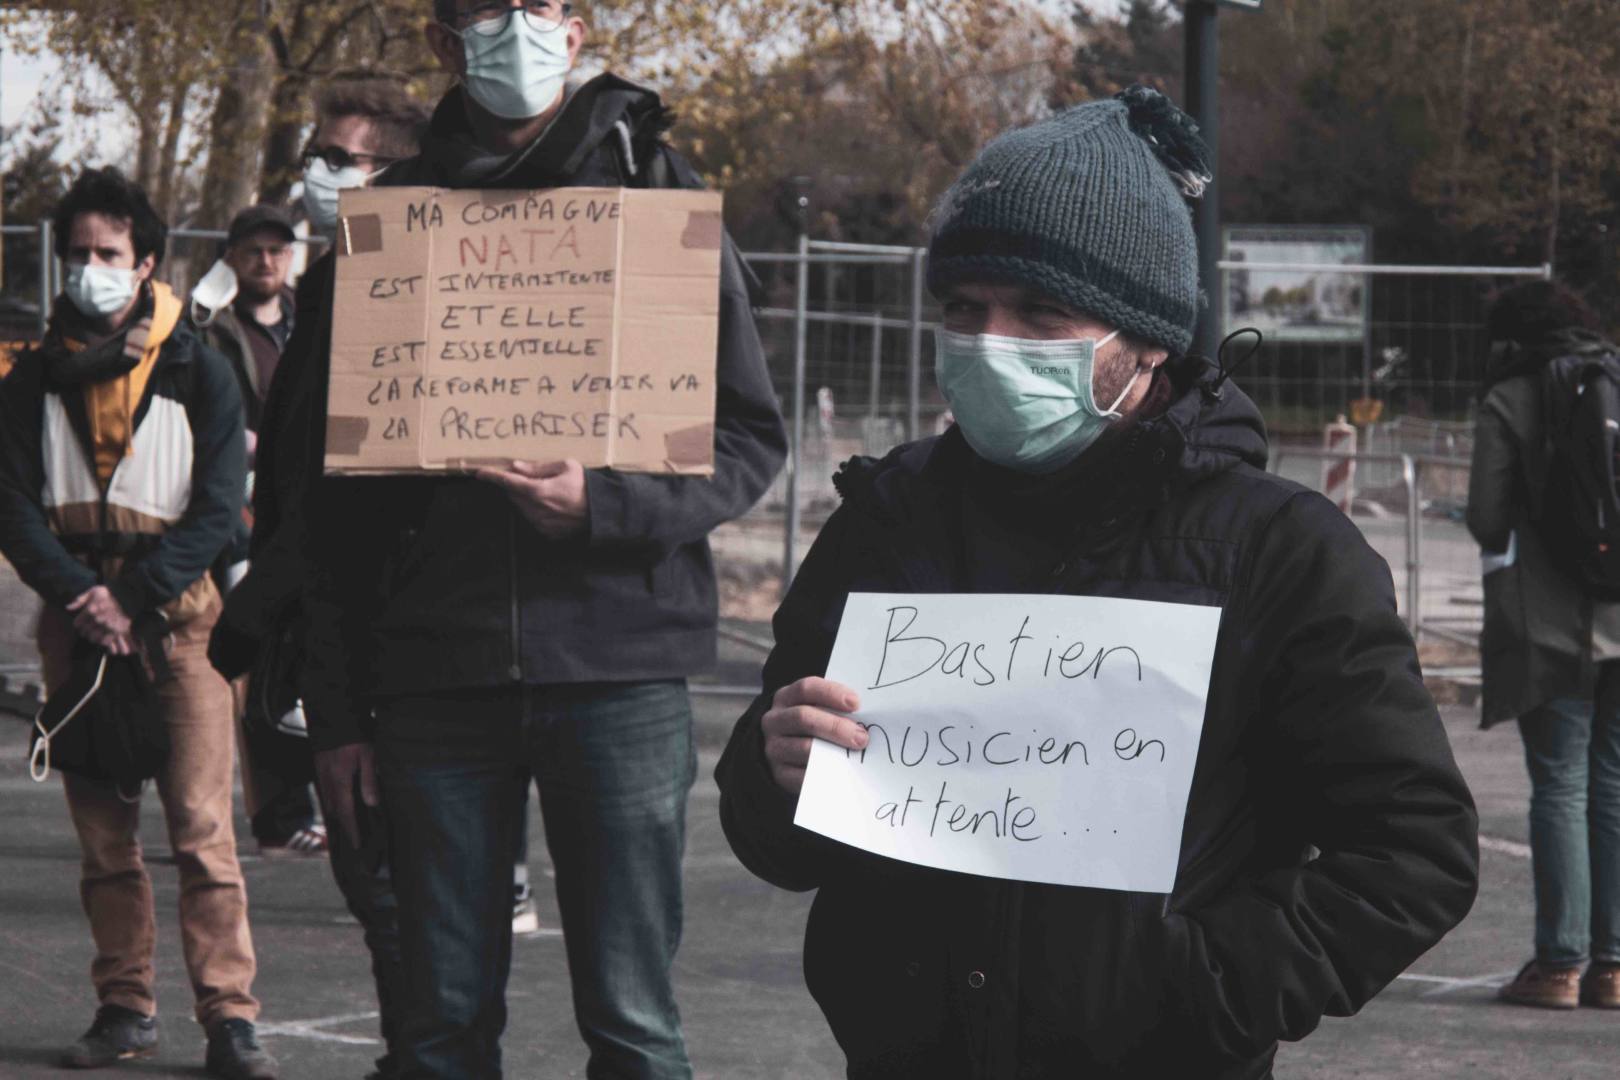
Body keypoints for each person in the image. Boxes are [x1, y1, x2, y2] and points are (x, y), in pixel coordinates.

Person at [715, 87, 1481, 1079]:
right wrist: (774, 770)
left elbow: (1415, 850)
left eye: (1041, 313)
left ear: (1148, 339)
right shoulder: (888, 518)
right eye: (964, 309)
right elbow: (779, 837)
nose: (993, 343)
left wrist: (1208, 987)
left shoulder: (1281, 551)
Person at [281, 3, 787, 1076]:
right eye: (486, 7)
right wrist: (335, 713)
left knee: (636, 1026)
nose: (519, 26)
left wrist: (602, 508)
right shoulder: (385, 224)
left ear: (579, 23)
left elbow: (746, 436)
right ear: (442, 36)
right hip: (430, 686)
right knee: (438, 1028)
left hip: (620, 672)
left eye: (543, 5)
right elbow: (319, 509)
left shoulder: (661, 195)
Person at [0, 167, 278, 1079]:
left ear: (146, 261)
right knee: (103, 837)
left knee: (202, 830)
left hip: (183, 624)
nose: (91, 269)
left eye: (108, 254)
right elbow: (11, 502)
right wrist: (84, 597)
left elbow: (219, 503)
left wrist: (135, 595)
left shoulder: (199, 363)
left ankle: (229, 1018)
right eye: (77, 254)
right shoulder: (33, 375)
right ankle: (124, 1006)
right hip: (79, 627)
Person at [206, 70, 429, 1080]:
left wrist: (253, 617)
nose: (323, 175)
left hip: (391, 661)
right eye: (319, 155)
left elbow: (348, 502)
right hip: (331, 652)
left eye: (347, 159)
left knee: (403, 907)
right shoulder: (333, 288)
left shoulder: (410, 298)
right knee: (380, 901)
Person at [1468, 280, 1620, 1009]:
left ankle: (1559, 965)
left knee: (1558, 782)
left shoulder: (1509, 396)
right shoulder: (1617, 378)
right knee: (1613, 785)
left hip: (1547, 624)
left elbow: (1487, 516)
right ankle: (1614, 967)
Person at [190, 203, 328, 857]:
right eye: (252, 250)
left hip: (303, 509)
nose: (267, 261)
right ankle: (277, 812)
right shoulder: (210, 331)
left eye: (279, 249)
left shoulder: (316, 320)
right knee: (251, 660)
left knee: (304, 658)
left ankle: (311, 804)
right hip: (233, 514)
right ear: (231, 257)